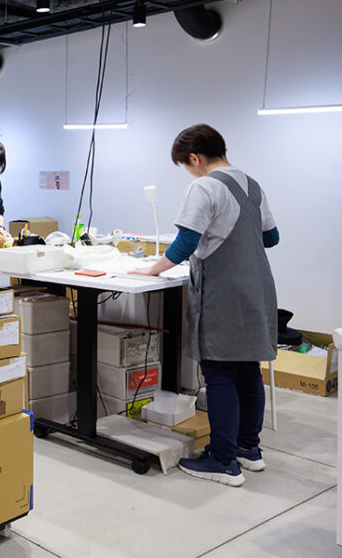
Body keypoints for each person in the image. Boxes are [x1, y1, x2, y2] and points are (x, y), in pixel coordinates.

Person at [131, 124, 279, 487]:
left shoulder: (204, 186)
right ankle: (248, 448)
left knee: (220, 373)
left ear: (194, 159)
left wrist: (152, 269)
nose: (188, 171)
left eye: (185, 165)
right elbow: (271, 237)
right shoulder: (253, 185)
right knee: (248, 370)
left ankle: (223, 461)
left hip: (224, 291)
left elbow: (185, 242)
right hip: (257, 288)